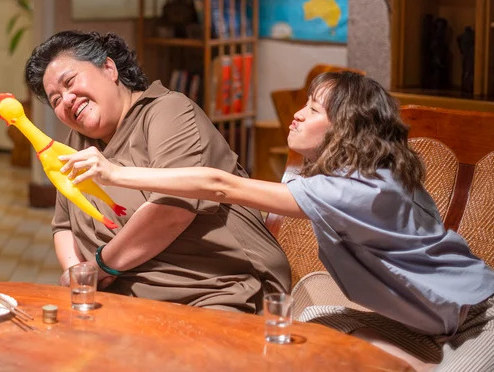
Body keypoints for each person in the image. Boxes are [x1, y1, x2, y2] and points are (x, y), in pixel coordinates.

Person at [59, 71, 494, 371]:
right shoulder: (341, 174)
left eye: (314, 110)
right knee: (307, 325)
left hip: (479, 320)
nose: (299, 114)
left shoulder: (360, 190)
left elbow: (219, 185)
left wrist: (113, 173)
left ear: (348, 127)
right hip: (422, 322)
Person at [24, 30, 290, 313]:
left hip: (214, 292)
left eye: (70, 82)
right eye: (55, 100)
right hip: (121, 303)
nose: (66, 99)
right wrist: (78, 275)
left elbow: (172, 211)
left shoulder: (169, 111)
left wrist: (101, 265)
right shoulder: (74, 144)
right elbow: (64, 225)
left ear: (109, 68)